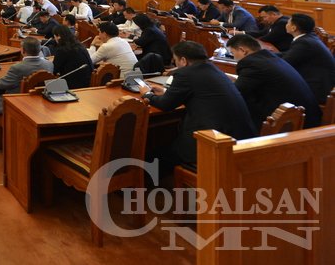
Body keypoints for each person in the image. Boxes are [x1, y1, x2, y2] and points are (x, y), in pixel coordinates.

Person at [139, 41, 257, 169]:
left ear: (183, 60)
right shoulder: (215, 70)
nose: (175, 64)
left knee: (152, 156)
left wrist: (147, 94)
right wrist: (166, 91)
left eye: (175, 60)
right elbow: (200, 93)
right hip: (241, 140)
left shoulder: (185, 73)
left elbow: (165, 105)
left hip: (214, 143)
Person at [226, 34, 320, 128]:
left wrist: (225, 82)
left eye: (232, 53)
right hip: (308, 116)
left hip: (292, 124)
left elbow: (235, 94)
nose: (233, 57)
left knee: (232, 110)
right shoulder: (268, 58)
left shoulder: (253, 65)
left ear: (243, 50)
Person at [0, 38, 52, 153]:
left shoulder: (17, 68)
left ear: (23, 51)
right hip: (38, 104)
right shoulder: (49, 64)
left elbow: (0, 85)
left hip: (16, 104)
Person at [281, 13, 335, 104]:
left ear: (294, 28)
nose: (286, 25)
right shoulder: (308, 37)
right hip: (318, 80)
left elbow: (285, 63)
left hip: (317, 88)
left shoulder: (304, 43)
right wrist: (269, 54)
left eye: (288, 23)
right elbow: (289, 54)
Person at [50, 26, 94, 90]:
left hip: (72, 85)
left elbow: (54, 70)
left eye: (54, 37)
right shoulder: (80, 46)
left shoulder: (62, 50)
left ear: (58, 36)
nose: (55, 39)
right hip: (87, 82)